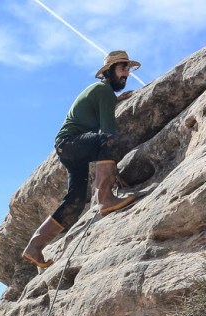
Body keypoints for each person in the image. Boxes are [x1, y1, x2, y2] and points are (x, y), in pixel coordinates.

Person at [22, 50, 141, 268]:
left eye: (128, 69)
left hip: (68, 147)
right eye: (122, 67)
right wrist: (113, 171)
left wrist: (115, 101)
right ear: (109, 70)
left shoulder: (103, 92)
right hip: (71, 143)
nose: (126, 73)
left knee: (75, 203)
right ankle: (105, 199)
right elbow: (108, 132)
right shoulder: (103, 89)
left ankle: (35, 246)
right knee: (109, 139)